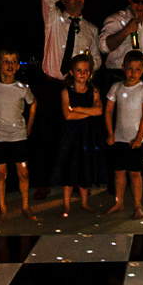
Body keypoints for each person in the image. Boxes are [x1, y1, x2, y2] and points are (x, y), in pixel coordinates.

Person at [36, 0, 103, 198]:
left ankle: (75, 180)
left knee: (75, 138)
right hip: (52, 85)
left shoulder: (91, 29)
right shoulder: (53, 19)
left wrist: (88, 73)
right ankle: (43, 182)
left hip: (77, 89)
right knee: (47, 136)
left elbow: (96, 59)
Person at [0, 50, 38, 220]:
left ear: (18, 65)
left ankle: (26, 206)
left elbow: (33, 103)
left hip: (18, 134)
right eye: (6, 61)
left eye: (14, 61)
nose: (10, 65)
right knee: (1, 172)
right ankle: (3, 208)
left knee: (23, 171)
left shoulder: (22, 88)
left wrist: (29, 126)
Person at [51, 53, 107, 217]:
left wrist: (78, 109)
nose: (82, 74)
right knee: (69, 167)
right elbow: (68, 115)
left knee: (85, 166)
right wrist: (88, 112)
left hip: (88, 134)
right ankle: (66, 205)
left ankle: (84, 203)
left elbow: (99, 110)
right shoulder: (66, 92)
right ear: (71, 72)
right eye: (79, 70)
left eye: (86, 70)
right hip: (70, 135)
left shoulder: (94, 90)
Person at [105, 51, 143, 217]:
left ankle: (137, 205)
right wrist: (111, 133)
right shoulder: (116, 87)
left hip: (136, 139)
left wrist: (139, 137)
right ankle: (118, 202)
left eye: (137, 69)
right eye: (130, 69)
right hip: (119, 137)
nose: (133, 73)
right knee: (118, 172)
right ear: (123, 68)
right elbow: (108, 111)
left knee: (134, 173)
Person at [98, 0, 143, 92]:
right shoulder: (116, 19)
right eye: (136, 1)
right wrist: (126, 30)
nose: (140, 5)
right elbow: (103, 47)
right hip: (119, 77)